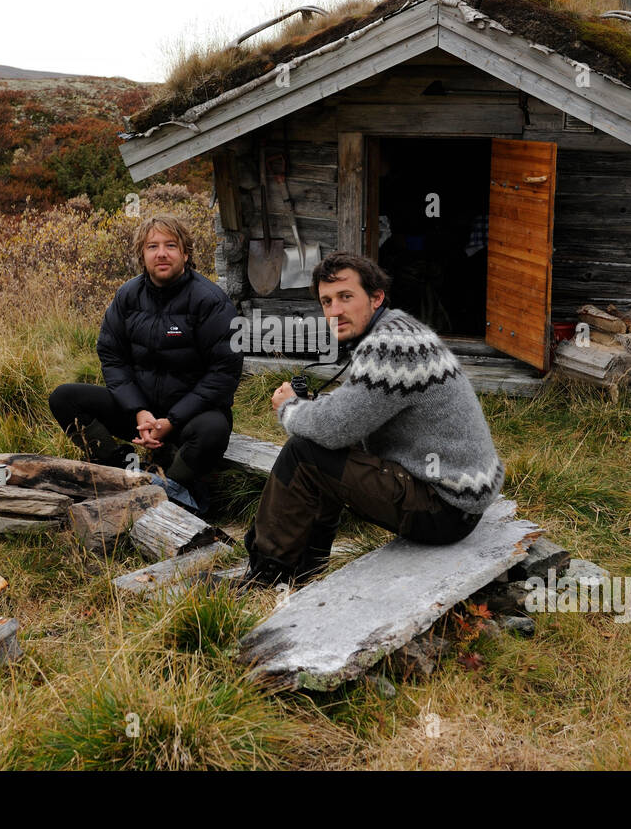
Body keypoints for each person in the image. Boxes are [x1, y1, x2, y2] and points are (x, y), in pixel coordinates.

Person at [239, 251, 505, 586]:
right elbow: (357, 406)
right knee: (318, 449)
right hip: (461, 499)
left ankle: (267, 574)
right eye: (326, 301)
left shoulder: (390, 345)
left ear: (376, 297)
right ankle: (303, 568)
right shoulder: (394, 331)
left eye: (346, 297)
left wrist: (289, 408)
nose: (335, 310)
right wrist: (315, 408)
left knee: (304, 453)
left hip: (445, 508)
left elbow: (337, 429)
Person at [48, 214, 242, 513]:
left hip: (189, 417)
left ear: (185, 253)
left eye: (170, 245)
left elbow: (223, 373)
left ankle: (169, 493)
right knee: (65, 398)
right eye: (152, 246)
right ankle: (122, 471)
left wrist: (172, 421)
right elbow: (112, 356)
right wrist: (138, 410)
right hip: (140, 413)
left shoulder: (210, 301)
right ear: (142, 254)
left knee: (214, 429)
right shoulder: (128, 295)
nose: (161, 253)